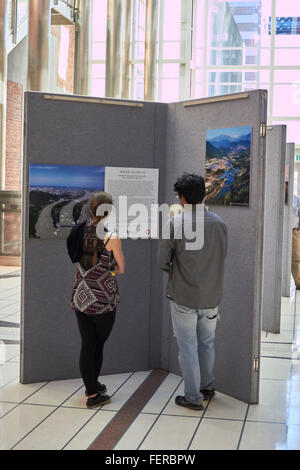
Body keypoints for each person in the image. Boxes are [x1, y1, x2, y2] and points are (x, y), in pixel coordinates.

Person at [159, 174, 227, 410]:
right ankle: (207, 387)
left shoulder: (175, 224)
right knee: (207, 343)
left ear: (183, 198)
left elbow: (162, 262)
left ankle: (192, 397)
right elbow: (222, 257)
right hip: (211, 295)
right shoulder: (219, 223)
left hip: (183, 296)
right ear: (204, 195)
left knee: (187, 346)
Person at [71, 191, 125, 409]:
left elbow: (76, 258)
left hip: (81, 296)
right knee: (97, 345)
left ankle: (91, 386)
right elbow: (120, 268)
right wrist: (107, 270)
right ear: (109, 212)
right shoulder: (111, 237)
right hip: (102, 299)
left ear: (90, 209)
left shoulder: (78, 231)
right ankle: (93, 394)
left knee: (87, 344)